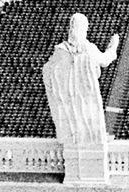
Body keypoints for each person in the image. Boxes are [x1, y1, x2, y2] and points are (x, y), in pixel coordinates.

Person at [41, 12, 120, 150]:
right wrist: (113, 46)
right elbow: (106, 59)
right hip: (86, 97)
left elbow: (47, 72)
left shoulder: (60, 51)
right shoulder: (89, 49)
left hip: (72, 100)